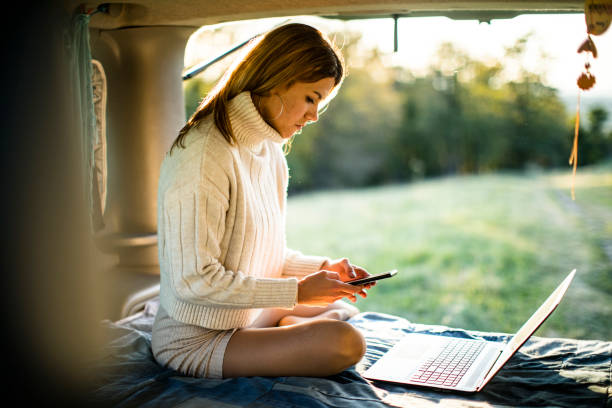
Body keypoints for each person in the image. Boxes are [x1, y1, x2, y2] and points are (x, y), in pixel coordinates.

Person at [152, 22, 375, 380]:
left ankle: (286, 328)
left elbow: (262, 255)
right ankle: (288, 330)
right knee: (346, 342)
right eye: (311, 98)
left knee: (339, 303)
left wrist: (324, 267)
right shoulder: (204, 154)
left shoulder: (269, 151)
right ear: (276, 79)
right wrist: (298, 292)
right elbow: (193, 281)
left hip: (251, 316)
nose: (314, 116)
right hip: (198, 339)